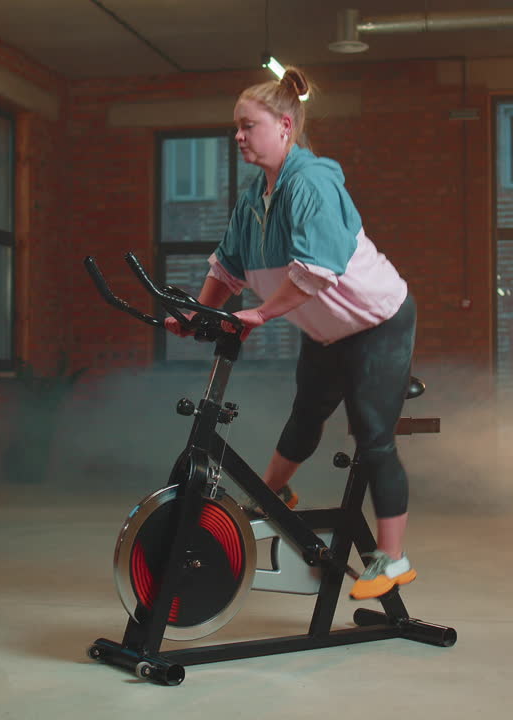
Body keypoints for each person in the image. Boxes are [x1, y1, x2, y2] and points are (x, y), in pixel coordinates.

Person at [164, 66, 418, 601]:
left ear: (284, 125)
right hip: (326, 331)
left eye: (246, 125)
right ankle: (273, 496)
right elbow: (227, 267)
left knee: (372, 437)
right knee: (305, 417)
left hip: (377, 323)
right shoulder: (256, 196)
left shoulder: (312, 181)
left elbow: (317, 271)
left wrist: (262, 314)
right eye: (235, 127)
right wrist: (198, 315)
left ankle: (393, 559)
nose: (237, 136)